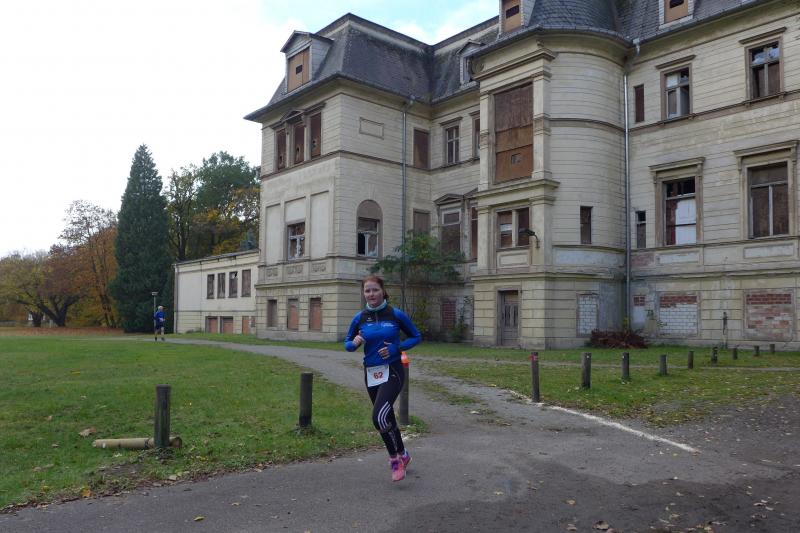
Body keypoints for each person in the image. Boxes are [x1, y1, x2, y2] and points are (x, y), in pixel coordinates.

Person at [344, 274, 421, 482]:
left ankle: (395, 460)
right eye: (367, 291)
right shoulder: (359, 318)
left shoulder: (395, 315)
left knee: (378, 416)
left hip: (393, 370)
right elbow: (347, 344)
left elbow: (416, 336)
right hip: (371, 373)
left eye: (375, 290)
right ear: (364, 293)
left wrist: (397, 348)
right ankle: (403, 454)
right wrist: (354, 343)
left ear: (383, 291)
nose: (371, 294)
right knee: (386, 417)